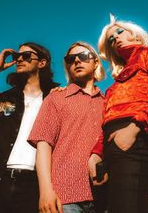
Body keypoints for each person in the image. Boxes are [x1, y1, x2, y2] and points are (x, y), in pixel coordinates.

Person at [88, 15, 148, 213]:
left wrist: (135, 128)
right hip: (113, 147)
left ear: (136, 36)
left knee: (129, 206)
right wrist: (97, 153)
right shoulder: (115, 84)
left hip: (139, 142)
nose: (115, 38)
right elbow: (106, 121)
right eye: (111, 39)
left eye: (119, 32)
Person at [28, 41, 105, 213]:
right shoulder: (56, 98)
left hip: (104, 196)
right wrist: (46, 191)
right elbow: (43, 145)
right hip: (65, 198)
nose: (77, 61)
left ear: (95, 63)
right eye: (71, 58)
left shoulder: (109, 102)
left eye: (84, 56)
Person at [0, 42, 58, 213]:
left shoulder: (55, 97)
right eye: (17, 56)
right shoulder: (5, 97)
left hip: (33, 185)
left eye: (26, 56)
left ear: (42, 63)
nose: (19, 59)